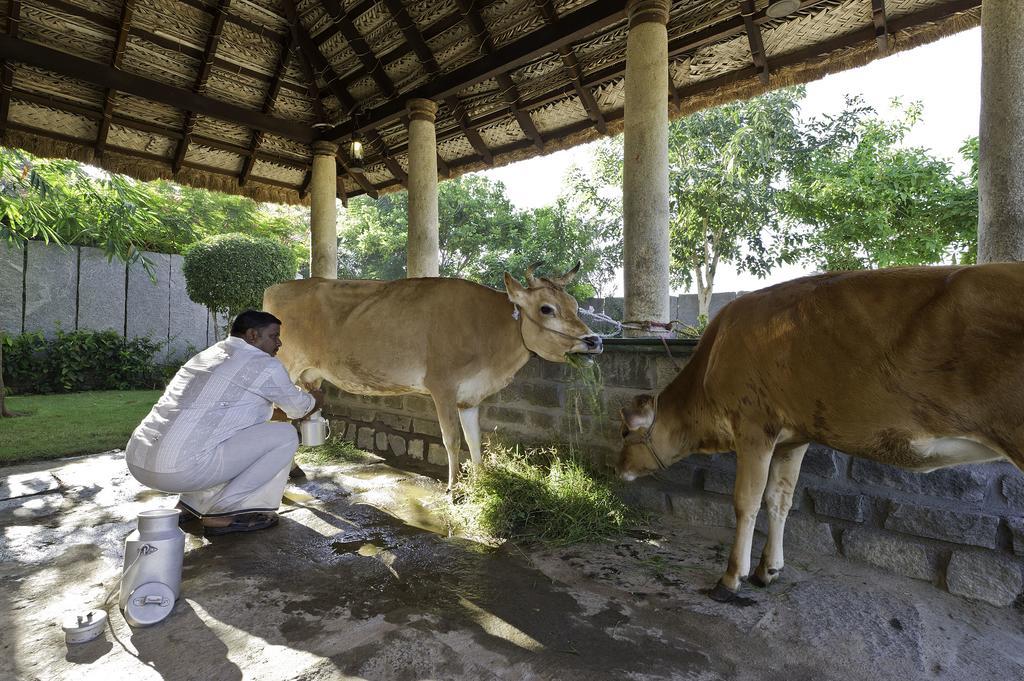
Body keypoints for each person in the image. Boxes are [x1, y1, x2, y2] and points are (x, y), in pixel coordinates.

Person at [125, 310, 324, 536]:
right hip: (178, 470)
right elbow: (299, 408)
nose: (279, 343)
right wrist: (317, 399)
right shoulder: (263, 364)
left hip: (138, 460)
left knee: (221, 438)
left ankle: (190, 505)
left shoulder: (210, 355)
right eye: (274, 336)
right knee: (285, 436)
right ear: (252, 335)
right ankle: (224, 513)